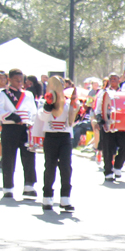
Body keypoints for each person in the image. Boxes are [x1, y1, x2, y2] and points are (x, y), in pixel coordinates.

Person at [33, 76, 79, 212]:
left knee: (66, 167)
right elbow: (42, 116)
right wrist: (49, 104)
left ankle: (65, 198)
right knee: (50, 166)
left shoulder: (68, 103)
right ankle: (47, 197)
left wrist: (74, 106)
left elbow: (72, 121)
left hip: (65, 137)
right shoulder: (44, 101)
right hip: (50, 137)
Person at [0, 68, 38, 199]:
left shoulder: (28, 94)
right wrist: (11, 116)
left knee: (28, 157)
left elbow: (33, 111)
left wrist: (32, 123)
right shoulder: (3, 93)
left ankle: (29, 186)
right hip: (9, 128)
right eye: (16, 80)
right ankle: (8, 187)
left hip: (25, 129)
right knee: (8, 158)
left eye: (21, 80)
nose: (19, 83)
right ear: (9, 80)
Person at [97, 73, 125, 182]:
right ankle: (108, 172)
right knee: (108, 149)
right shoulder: (103, 93)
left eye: (115, 79)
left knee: (124, 147)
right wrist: (100, 119)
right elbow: (98, 107)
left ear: (119, 80)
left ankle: (118, 166)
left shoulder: (124, 93)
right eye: (111, 79)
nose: (113, 80)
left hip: (120, 125)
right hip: (108, 123)